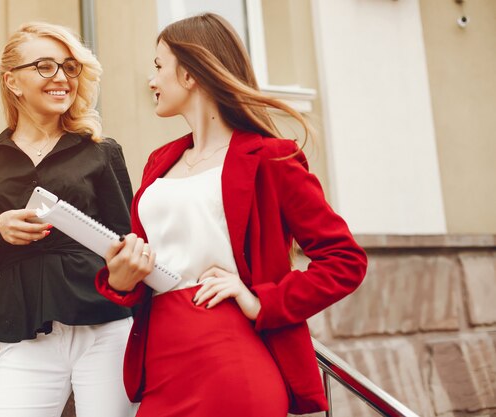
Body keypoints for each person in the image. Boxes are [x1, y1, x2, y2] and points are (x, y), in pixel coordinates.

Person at [95, 13, 368, 417]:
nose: (151, 81)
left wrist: (261, 301)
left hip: (230, 360)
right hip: (161, 363)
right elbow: (148, 264)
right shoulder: (160, 162)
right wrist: (121, 279)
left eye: (158, 67)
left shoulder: (271, 158)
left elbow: (346, 261)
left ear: (189, 74)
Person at [0, 22, 136, 417]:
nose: (62, 79)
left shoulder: (102, 153)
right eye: (45, 67)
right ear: (12, 82)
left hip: (105, 326)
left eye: (69, 68)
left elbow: (130, 243)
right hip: (24, 330)